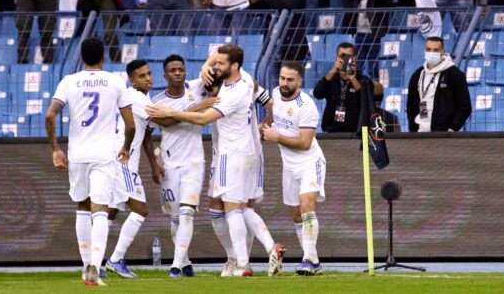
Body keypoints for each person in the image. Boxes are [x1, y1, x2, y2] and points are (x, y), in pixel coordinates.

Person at [148, 46, 285, 277]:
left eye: (220, 65)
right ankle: (251, 254)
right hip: (240, 153)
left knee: (234, 209)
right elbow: (225, 55)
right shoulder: (246, 79)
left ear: (233, 66)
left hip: (232, 154)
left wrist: (171, 112)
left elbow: (203, 119)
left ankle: (243, 263)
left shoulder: (229, 95)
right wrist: (206, 65)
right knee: (223, 209)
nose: (215, 67)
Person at [45, 37, 134, 287]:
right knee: (100, 209)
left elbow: (50, 115)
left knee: (82, 207)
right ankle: (95, 266)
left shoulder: (69, 81)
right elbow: (130, 125)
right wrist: (126, 147)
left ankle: (86, 267)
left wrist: (55, 149)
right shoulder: (115, 81)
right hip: (104, 155)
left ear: (82, 57)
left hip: (78, 154)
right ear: (103, 57)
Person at [143, 55, 210, 278]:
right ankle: (186, 262)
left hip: (194, 162)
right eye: (173, 70)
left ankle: (175, 266)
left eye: (181, 69)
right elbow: (157, 129)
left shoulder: (196, 87)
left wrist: (207, 67)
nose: (178, 73)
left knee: (187, 213)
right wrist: (153, 165)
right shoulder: (157, 102)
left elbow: (213, 75)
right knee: (175, 218)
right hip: (169, 164)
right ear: (165, 75)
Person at [259, 62, 327, 276]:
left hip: (309, 162)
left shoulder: (307, 106)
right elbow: (276, 112)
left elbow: (305, 143)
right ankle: (313, 260)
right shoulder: (276, 94)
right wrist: (264, 126)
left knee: (307, 206)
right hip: (288, 165)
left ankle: (308, 260)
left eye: (290, 79)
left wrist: (276, 136)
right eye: (282, 78)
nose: (285, 83)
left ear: (299, 81)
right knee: (296, 215)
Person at [103, 59, 159, 279]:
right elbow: (167, 120)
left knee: (110, 213)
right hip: (123, 162)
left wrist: (154, 165)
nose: (148, 78)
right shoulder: (135, 98)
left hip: (118, 160)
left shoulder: (143, 98)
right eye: (142, 76)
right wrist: (200, 108)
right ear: (132, 80)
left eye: (149, 73)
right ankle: (115, 260)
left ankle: (94, 263)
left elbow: (146, 137)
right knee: (140, 210)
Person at [406, 36, 472, 132]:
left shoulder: (455, 74)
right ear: (424, 50)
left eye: (436, 50)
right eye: (428, 49)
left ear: (443, 52)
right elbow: (411, 106)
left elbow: (465, 106)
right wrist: (414, 129)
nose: (431, 53)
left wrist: (452, 129)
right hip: (420, 133)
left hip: (444, 134)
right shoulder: (418, 74)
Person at [312, 42, 374, 133]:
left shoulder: (364, 80)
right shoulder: (330, 79)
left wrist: (353, 79)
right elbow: (317, 94)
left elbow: (367, 100)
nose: (345, 60)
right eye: (342, 56)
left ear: (354, 59)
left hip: (359, 132)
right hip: (332, 130)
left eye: (348, 57)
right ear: (336, 58)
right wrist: (332, 71)